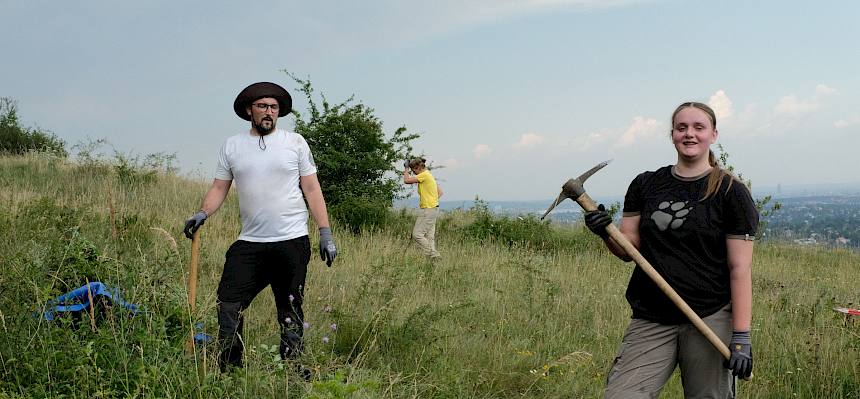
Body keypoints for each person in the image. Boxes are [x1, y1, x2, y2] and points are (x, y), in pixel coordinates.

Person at [584, 101, 758, 398]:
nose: (689, 134)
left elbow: (739, 268)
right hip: (651, 315)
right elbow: (629, 250)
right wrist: (604, 231)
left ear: (713, 134)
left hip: (709, 316)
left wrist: (741, 336)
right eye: (682, 128)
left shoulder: (730, 192)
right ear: (673, 134)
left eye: (698, 127)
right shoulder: (646, 184)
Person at [182, 82, 337, 373]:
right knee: (228, 303)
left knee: (289, 309)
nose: (269, 112)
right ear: (249, 110)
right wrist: (202, 212)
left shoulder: (295, 143)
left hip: (292, 240)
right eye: (263, 106)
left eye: (274, 108)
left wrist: (325, 232)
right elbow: (219, 187)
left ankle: (292, 369)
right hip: (250, 242)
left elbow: (312, 189)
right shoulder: (232, 145)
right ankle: (230, 369)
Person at [402, 157, 443, 260]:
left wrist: (406, 168)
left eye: (413, 170)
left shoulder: (423, 175)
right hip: (433, 209)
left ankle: (434, 254)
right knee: (429, 237)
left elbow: (406, 180)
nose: (414, 173)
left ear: (417, 168)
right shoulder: (429, 175)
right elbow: (440, 192)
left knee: (417, 234)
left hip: (428, 210)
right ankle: (433, 261)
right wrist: (431, 200)